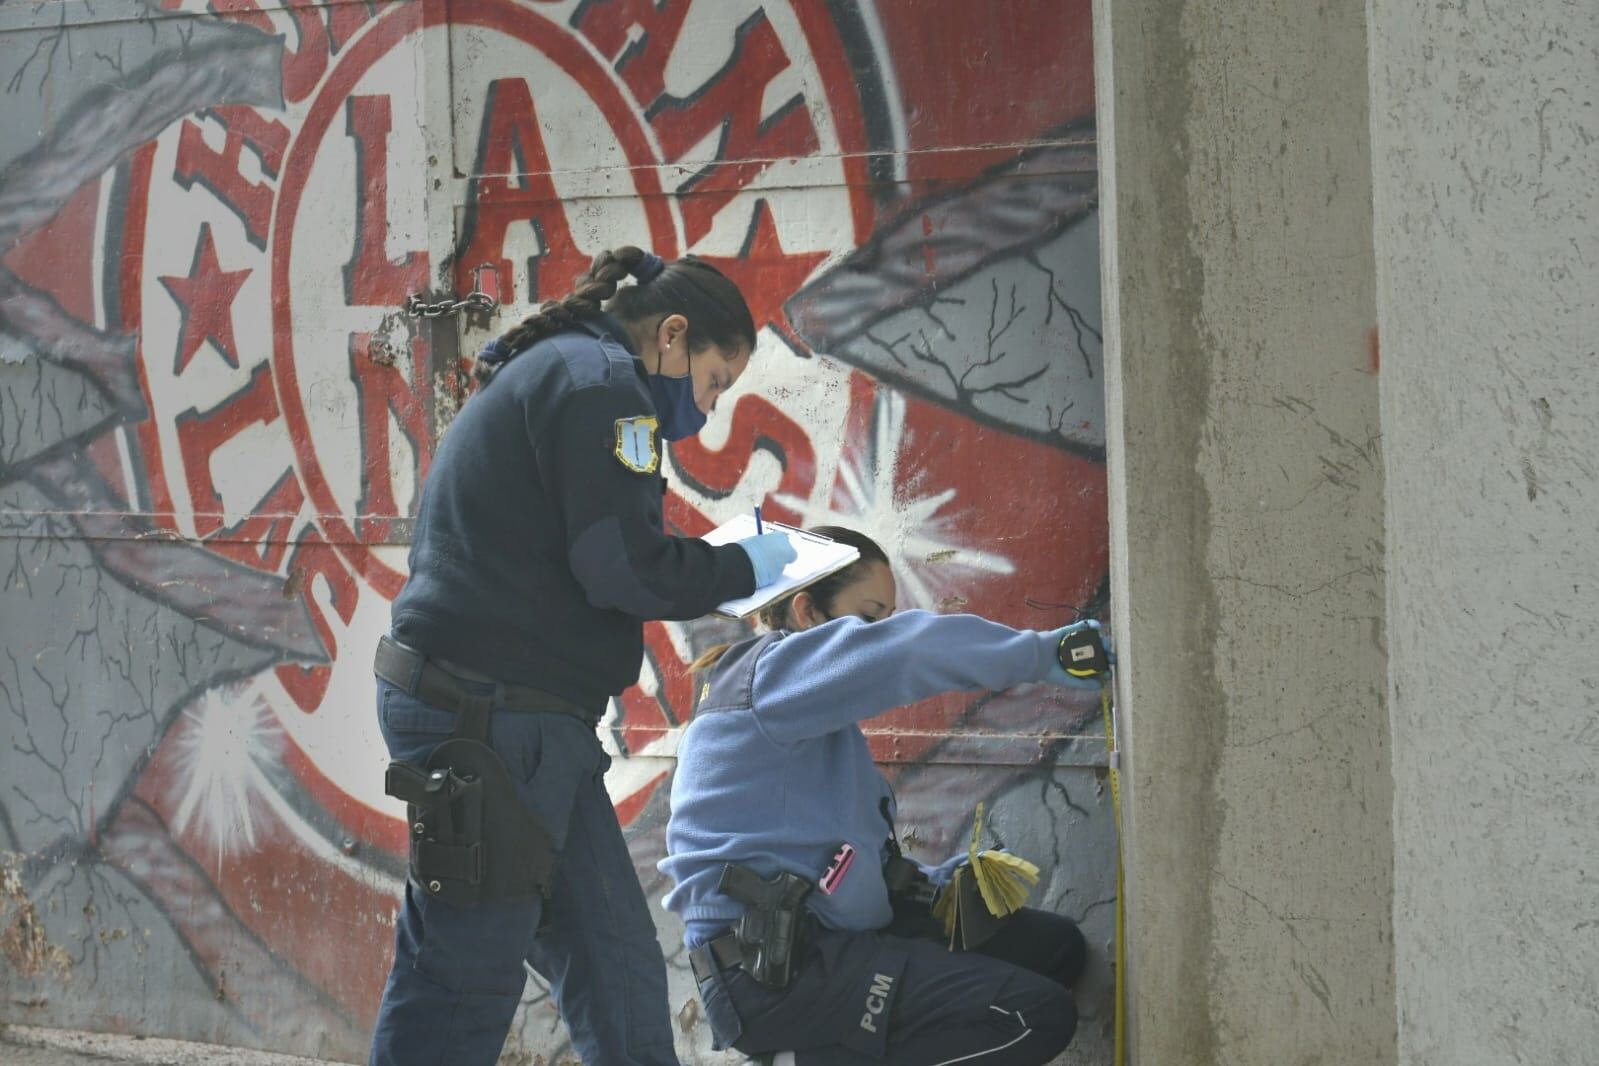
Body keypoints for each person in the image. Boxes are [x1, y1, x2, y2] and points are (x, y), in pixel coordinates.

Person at [369, 247, 798, 1066]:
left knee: (618, 972)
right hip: (490, 719)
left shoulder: (571, 371)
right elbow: (623, 566)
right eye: (712, 382)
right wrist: (755, 564)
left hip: (527, 727)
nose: (704, 412)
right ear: (671, 336)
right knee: (458, 988)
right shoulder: (604, 388)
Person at [662, 527, 1107, 1065]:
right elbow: (908, 652)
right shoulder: (767, 678)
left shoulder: (805, 713)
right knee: (1033, 1015)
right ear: (807, 612)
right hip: (773, 977)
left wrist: (934, 890)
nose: (880, 633)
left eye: (889, 618)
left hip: (819, 943)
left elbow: (836, 862)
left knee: (1053, 950)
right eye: (871, 616)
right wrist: (1041, 653)